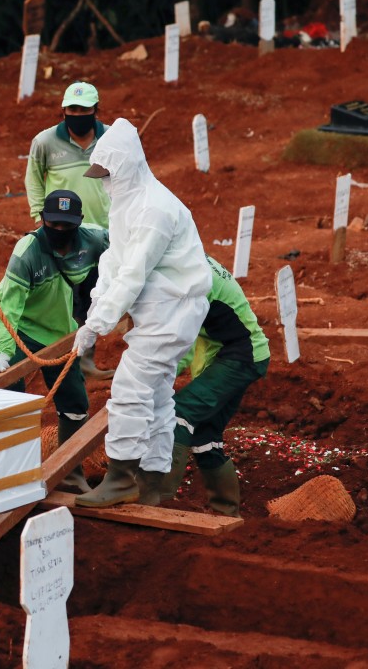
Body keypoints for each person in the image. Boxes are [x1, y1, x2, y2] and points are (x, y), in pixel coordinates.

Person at [72, 118, 212, 508]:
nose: (104, 182)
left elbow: (133, 273)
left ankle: (121, 477)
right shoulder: (127, 203)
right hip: (159, 309)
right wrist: (94, 314)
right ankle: (152, 480)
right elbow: (113, 262)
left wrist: (99, 325)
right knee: (156, 395)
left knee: (131, 389)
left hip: (173, 309)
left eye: (108, 174)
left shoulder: (154, 209)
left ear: (128, 166)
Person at [0, 190, 109, 493]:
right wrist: (3, 352)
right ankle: (9, 475)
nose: (59, 232)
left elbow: (129, 249)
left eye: (66, 226)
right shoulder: (27, 251)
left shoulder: (95, 239)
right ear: (42, 220)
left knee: (74, 402)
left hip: (60, 331)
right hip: (19, 327)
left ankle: (71, 473)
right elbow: (9, 309)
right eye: (52, 225)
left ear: (79, 222)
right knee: (9, 397)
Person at [160, 256, 270, 516]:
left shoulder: (193, 274)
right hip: (241, 354)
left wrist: (155, 380)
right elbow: (189, 340)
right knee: (205, 436)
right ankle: (226, 512)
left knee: (178, 414)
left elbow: (182, 336)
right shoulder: (196, 261)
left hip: (241, 356)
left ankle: (158, 501)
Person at [25, 81, 111, 230]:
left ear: (96, 111)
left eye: (84, 109)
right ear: (64, 112)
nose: (78, 114)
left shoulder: (111, 138)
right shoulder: (44, 141)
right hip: (62, 230)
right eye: (73, 109)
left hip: (106, 228)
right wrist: (39, 217)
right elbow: (33, 179)